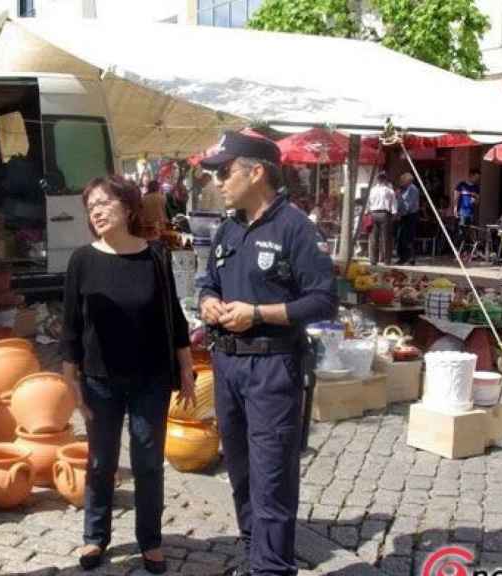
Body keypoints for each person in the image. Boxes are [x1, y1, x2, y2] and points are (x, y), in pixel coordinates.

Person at [197, 131, 336, 576]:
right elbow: (208, 282)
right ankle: (255, 553)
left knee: (272, 476)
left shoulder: (295, 227)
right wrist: (207, 302)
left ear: (256, 172)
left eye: (224, 172)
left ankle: (272, 569)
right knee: (239, 471)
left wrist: (259, 313)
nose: (218, 181)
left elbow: (323, 301)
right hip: (228, 364)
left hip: (273, 366)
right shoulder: (228, 227)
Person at [61, 176, 195, 574]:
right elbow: (70, 325)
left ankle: (150, 540)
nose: (97, 212)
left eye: (104, 203)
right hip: (100, 380)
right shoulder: (82, 260)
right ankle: (95, 536)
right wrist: (71, 379)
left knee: (148, 461)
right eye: (91, 207)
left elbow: (173, 314)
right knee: (101, 460)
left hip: (150, 378)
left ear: (128, 207)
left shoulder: (155, 257)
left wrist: (186, 365)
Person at [366, 172, 397, 265]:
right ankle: (387, 261)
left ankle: (373, 260)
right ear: (385, 180)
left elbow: (368, 203)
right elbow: (394, 204)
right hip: (385, 214)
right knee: (386, 238)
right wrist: (394, 213)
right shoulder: (389, 190)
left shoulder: (372, 190)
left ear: (377, 180)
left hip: (373, 213)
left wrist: (367, 212)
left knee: (373, 238)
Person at [395, 173, 420, 265]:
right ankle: (403, 257)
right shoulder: (404, 189)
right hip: (403, 215)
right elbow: (400, 202)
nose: (401, 182)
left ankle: (409, 258)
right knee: (401, 237)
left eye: (402, 180)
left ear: (408, 180)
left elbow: (409, 204)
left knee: (408, 237)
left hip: (409, 215)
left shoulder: (412, 189)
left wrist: (401, 214)